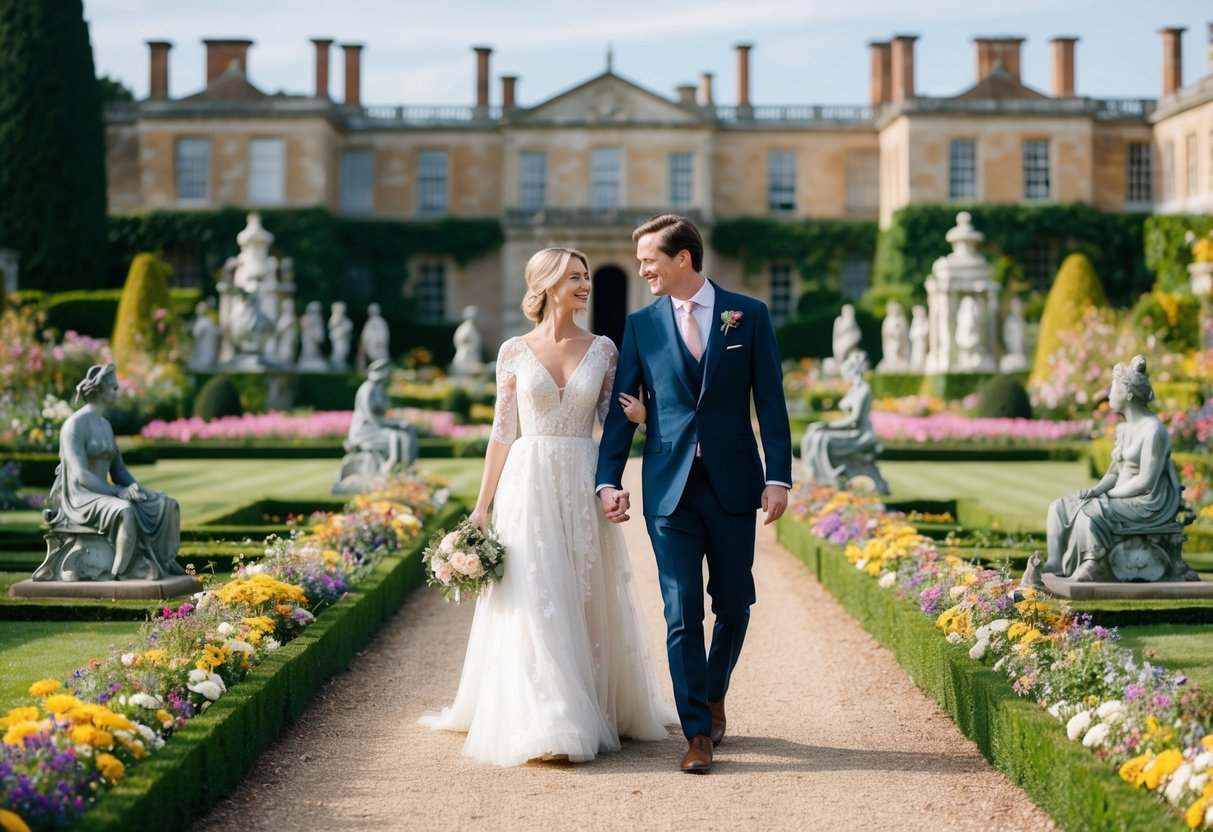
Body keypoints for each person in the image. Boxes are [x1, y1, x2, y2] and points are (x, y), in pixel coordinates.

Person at [419, 247, 673, 766]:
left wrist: (643, 418)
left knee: (583, 591)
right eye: (575, 277)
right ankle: (549, 716)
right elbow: (501, 433)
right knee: (535, 593)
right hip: (527, 481)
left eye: (586, 277)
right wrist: (481, 507)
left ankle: (593, 702)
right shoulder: (513, 351)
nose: (585, 285)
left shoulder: (604, 349)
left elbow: (614, 425)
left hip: (581, 477)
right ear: (548, 284)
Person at [596, 214, 792, 774]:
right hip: (668, 488)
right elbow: (620, 412)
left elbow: (771, 401)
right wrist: (608, 479)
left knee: (733, 604)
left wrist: (778, 476)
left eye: (650, 260)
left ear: (683, 258)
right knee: (681, 609)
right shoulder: (641, 324)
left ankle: (713, 688)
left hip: (734, 484)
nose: (643, 270)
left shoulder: (747, 315)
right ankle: (697, 733)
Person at [35, 364, 184, 582]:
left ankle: (163, 562)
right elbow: (80, 475)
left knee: (166, 503)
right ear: (99, 391)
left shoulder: (105, 425)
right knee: (124, 510)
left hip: (103, 494)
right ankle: (119, 573)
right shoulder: (74, 426)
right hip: (80, 497)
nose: (117, 391)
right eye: (113, 387)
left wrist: (136, 490)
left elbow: (119, 469)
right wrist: (117, 492)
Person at [1043, 355, 1183, 582]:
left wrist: (1108, 496)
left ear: (1128, 395)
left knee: (1090, 511)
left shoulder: (1154, 431)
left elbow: (1145, 482)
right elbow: (1114, 473)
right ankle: (1055, 562)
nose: (1108, 395)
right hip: (1119, 497)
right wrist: (1097, 490)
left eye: (1113, 390)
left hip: (1145, 503)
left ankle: (1093, 562)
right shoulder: (1124, 429)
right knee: (1059, 507)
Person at [799, 350, 887, 493]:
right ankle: (814, 474)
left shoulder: (863, 390)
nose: (844, 376)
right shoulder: (854, 389)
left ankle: (826, 477)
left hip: (860, 434)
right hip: (851, 430)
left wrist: (827, 426)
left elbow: (855, 420)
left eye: (846, 372)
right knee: (812, 435)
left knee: (821, 438)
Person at [347, 358, 417, 471]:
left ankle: (408, 468)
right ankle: (391, 466)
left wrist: (398, 422)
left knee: (407, 432)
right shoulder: (368, 390)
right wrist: (397, 423)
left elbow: (384, 414)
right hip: (364, 431)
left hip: (374, 427)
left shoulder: (378, 389)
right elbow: (374, 420)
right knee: (395, 436)